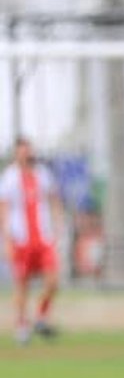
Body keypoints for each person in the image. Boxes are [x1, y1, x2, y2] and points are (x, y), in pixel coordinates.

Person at [0, 137, 65, 345]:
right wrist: (6, 240)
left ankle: (41, 316)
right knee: (21, 284)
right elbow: (4, 209)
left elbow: (54, 200)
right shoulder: (9, 178)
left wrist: (58, 225)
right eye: (23, 151)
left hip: (43, 238)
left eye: (29, 150)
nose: (27, 154)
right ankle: (22, 325)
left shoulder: (43, 174)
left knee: (53, 281)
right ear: (16, 154)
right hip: (21, 240)